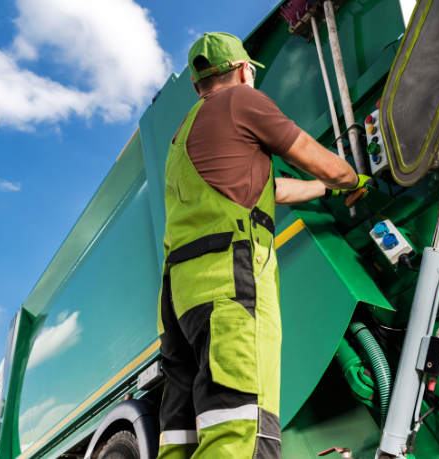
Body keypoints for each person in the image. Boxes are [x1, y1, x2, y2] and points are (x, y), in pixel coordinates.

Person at [156, 32, 369, 459]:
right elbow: (313, 157)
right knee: (242, 430)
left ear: (197, 85)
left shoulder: (182, 138)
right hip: (230, 284)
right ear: (242, 70)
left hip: (180, 299)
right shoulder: (241, 100)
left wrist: (324, 191)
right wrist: (352, 179)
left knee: (182, 438)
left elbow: (273, 189)